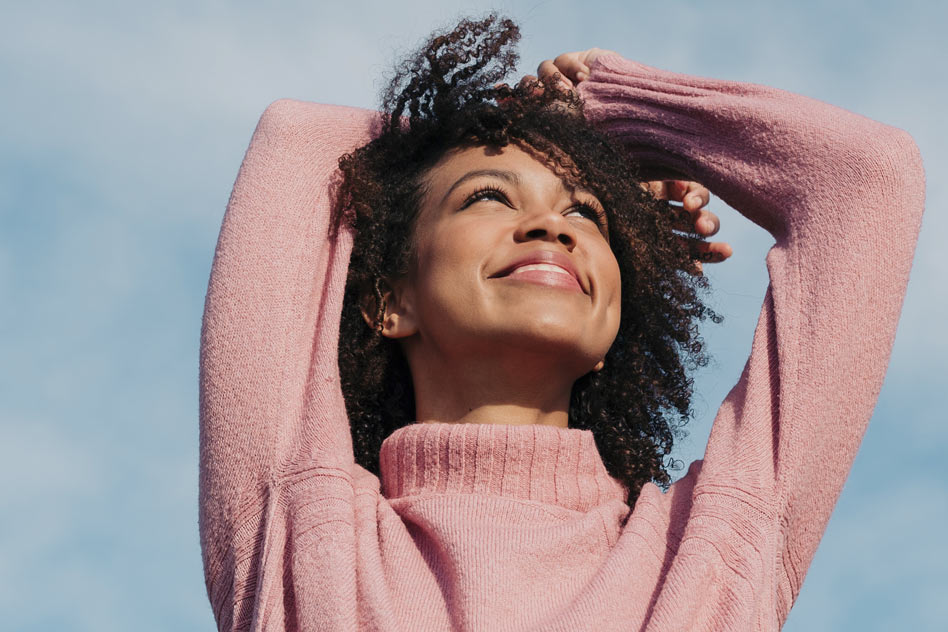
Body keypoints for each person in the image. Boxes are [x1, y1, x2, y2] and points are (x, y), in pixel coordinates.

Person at [198, 15, 925, 631]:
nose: (551, 222)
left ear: (614, 328)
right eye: (487, 196)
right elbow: (298, 141)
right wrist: (530, 125)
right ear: (391, 302)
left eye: (587, 212)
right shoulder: (299, 527)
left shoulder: (711, 551)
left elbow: (867, 178)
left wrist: (622, 113)